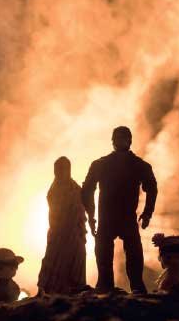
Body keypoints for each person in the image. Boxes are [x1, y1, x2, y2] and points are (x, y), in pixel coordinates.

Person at [82, 126, 157, 294]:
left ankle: (123, 286)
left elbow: (87, 190)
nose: (120, 141)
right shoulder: (137, 165)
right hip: (116, 217)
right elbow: (87, 190)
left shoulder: (103, 164)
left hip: (116, 217)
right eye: (118, 138)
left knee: (127, 252)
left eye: (122, 138)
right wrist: (91, 216)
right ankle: (120, 285)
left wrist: (147, 213)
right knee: (117, 252)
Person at [37, 156, 88, 295]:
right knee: (54, 258)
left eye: (65, 168)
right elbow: (57, 209)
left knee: (78, 255)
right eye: (59, 169)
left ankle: (76, 285)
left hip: (75, 231)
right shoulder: (54, 190)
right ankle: (53, 287)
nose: (61, 171)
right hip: (59, 232)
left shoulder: (74, 186)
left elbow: (82, 203)